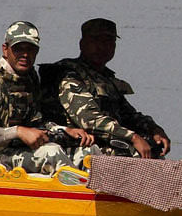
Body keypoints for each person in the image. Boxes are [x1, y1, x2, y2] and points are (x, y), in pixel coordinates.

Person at [0, 21, 94, 175]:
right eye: (18, 49)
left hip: (15, 151)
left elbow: (36, 123)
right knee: (51, 153)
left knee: (87, 151)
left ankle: (106, 195)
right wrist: (17, 132)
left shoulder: (29, 79)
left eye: (31, 49)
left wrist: (64, 130)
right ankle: (78, 195)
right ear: (5, 49)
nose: (25, 55)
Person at [51, 18, 170, 159]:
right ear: (82, 44)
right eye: (97, 41)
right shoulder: (69, 75)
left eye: (108, 41)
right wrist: (133, 137)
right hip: (77, 146)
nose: (103, 47)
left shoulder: (105, 78)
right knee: (135, 154)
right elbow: (90, 120)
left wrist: (153, 129)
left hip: (106, 143)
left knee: (154, 150)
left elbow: (128, 114)